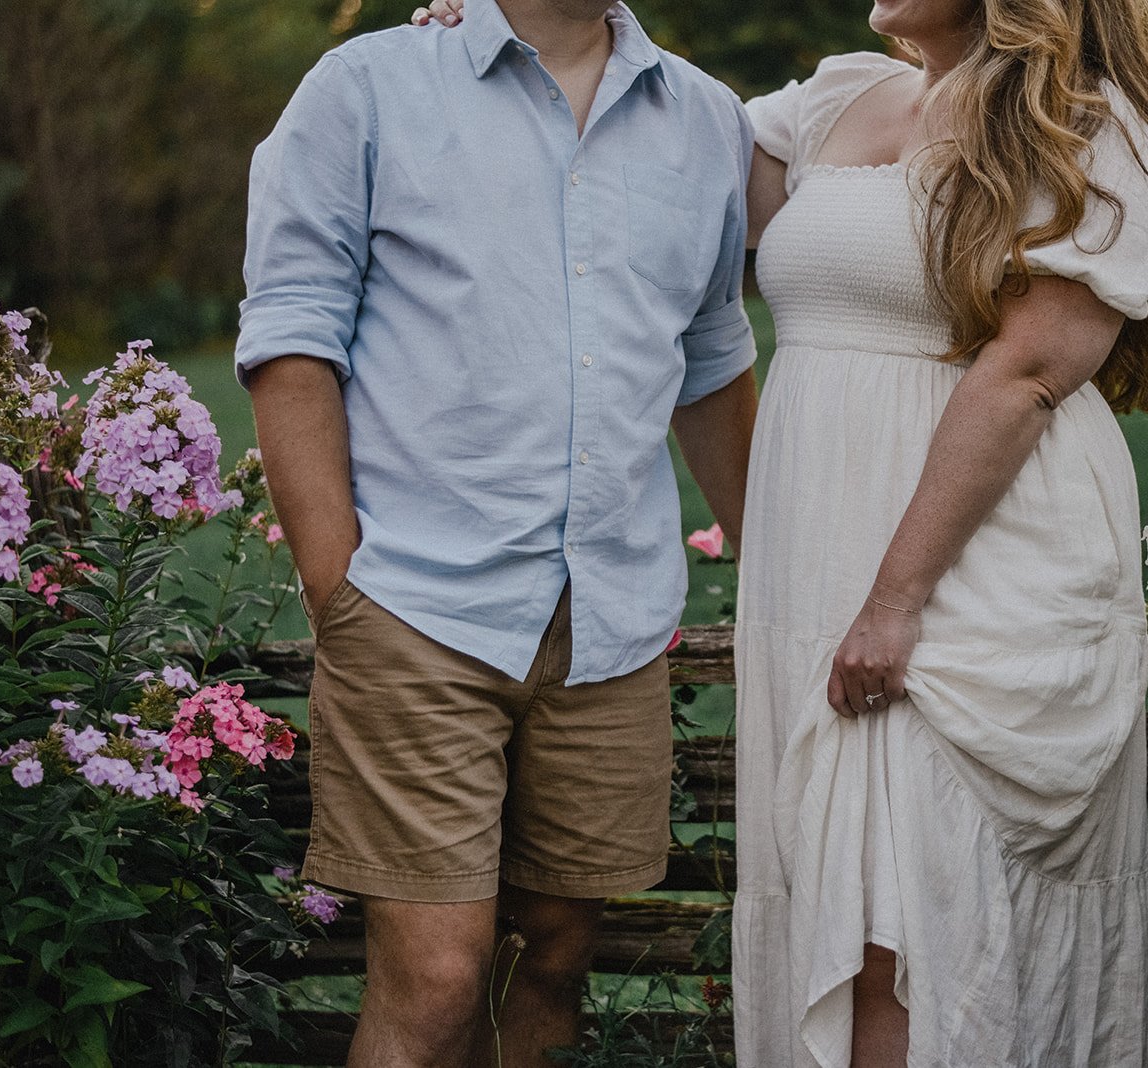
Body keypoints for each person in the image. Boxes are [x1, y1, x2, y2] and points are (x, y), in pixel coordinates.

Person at [418, 0, 1148, 1063]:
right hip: (823, 557)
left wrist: (895, 603)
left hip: (971, 562)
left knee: (913, 917)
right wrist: (526, 32)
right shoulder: (838, 99)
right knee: (842, 906)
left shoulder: (1083, 121)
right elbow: (634, 145)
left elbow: (1031, 370)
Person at [236, 1, 759, 1064]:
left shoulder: (709, 119)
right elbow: (293, 335)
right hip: (415, 604)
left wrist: (772, 562)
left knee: (553, 955)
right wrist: (340, 584)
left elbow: (709, 352)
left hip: (611, 623)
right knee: (434, 978)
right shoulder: (366, 88)